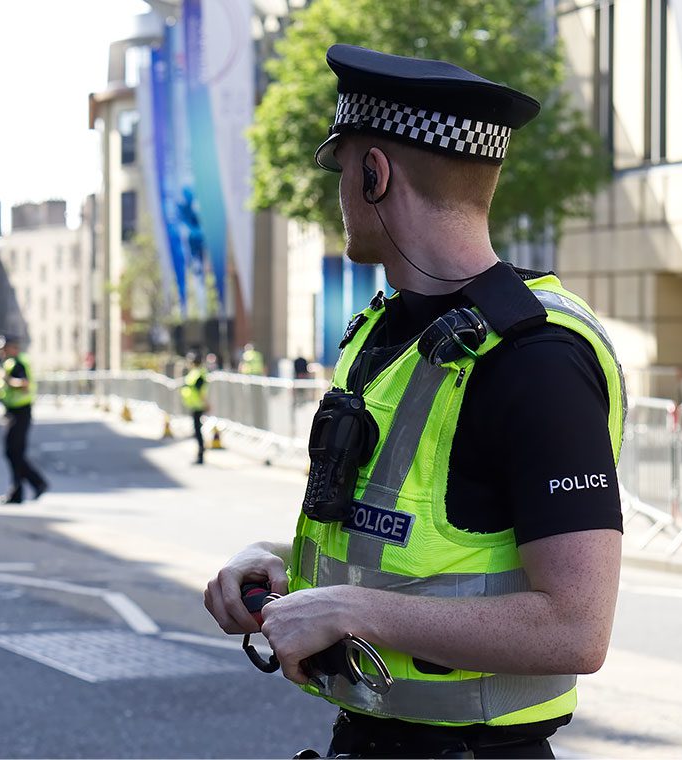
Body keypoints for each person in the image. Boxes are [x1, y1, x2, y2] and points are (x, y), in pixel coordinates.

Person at [205, 44, 626, 759]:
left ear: (374, 173)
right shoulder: (385, 331)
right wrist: (282, 566)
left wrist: (346, 610)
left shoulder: (536, 358)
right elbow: (417, 548)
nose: (336, 190)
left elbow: (576, 629)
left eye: (341, 169)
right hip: (370, 738)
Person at [0, 334, 48, 504]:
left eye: (4, 348)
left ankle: (31, 485)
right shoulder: (9, 363)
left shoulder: (17, 363)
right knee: (13, 452)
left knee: (13, 452)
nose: (1, 351)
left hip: (21, 413)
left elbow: (23, 383)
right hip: (14, 413)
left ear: (12, 348)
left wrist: (8, 380)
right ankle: (25, 488)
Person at [181, 351, 209, 465]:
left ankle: (201, 454)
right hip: (195, 405)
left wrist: (206, 404)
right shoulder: (194, 373)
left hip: (198, 406)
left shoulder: (198, 374)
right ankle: (200, 453)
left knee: (198, 431)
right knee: (197, 431)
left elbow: (201, 392)